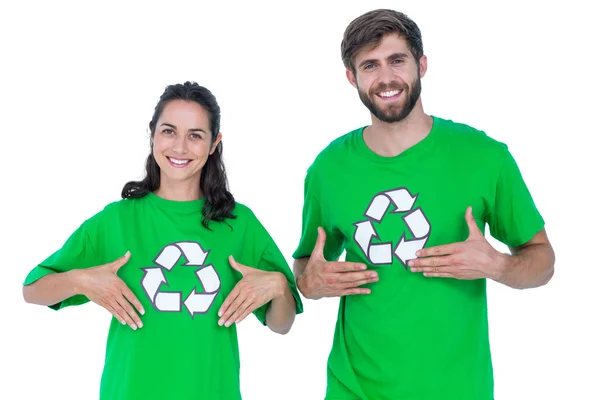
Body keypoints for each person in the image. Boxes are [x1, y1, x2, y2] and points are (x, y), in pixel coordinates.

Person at [292, 9, 555, 400]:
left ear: (422, 65)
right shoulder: (328, 170)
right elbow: (307, 266)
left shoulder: (484, 157)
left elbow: (543, 261)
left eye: (397, 60)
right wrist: (308, 284)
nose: (385, 78)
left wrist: (499, 265)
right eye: (370, 65)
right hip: (353, 387)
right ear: (352, 77)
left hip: (455, 388)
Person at [22, 81, 302, 400]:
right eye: (169, 131)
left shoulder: (239, 224)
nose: (180, 147)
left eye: (195, 135)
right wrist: (80, 280)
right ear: (152, 133)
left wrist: (279, 285)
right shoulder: (116, 221)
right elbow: (32, 291)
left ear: (214, 144)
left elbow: (281, 324)